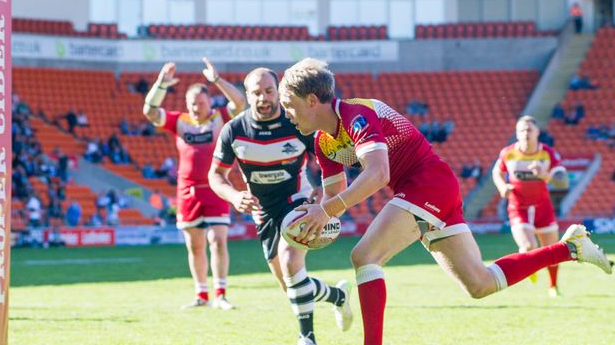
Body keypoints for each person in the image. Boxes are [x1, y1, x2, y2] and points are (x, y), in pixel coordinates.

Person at [277, 58, 612, 345]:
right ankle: (570, 248)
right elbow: (333, 199)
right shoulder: (324, 142)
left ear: (311, 100)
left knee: (365, 255)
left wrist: (328, 210)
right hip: (424, 191)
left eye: (289, 104)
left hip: (428, 184)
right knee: (480, 284)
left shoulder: (355, 115)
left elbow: (378, 173)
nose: (288, 114)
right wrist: (315, 218)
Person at [208, 68, 352, 345]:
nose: (263, 98)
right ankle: (337, 296)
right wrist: (234, 196)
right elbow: (215, 175)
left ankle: (306, 338)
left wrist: (323, 198)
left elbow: (328, 159)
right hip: (262, 212)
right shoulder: (234, 130)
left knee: (290, 261)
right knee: (291, 285)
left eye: (269, 91)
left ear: (279, 91)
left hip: (297, 201)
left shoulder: (296, 123)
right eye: (256, 93)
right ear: (246, 95)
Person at [142, 57, 246, 310]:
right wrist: (161, 85)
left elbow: (240, 103)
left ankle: (220, 293)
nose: (197, 108)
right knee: (194, 244)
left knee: (218, 240)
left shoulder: (221, 117)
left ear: (208, 101)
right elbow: (150, 112)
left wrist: (217, 80)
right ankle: (201, 294)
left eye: (201, 103)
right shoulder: (180, 120)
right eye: (193, 104)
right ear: (187, 105)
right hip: (187, 191)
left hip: (216, 186)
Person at [492, 116, 569, 296]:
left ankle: (553, 286)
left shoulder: (547, 153)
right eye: (522, 130)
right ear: (517, 133)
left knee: (552, 250)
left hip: (543, 208)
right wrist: (502, 187)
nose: (525, 133)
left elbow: (563, 182)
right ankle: (530, 269)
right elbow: (497, 171)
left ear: (537, 132)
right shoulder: (508, 153)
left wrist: (545, 175)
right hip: (518, 208)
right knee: (528, 247)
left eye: (529, 130)